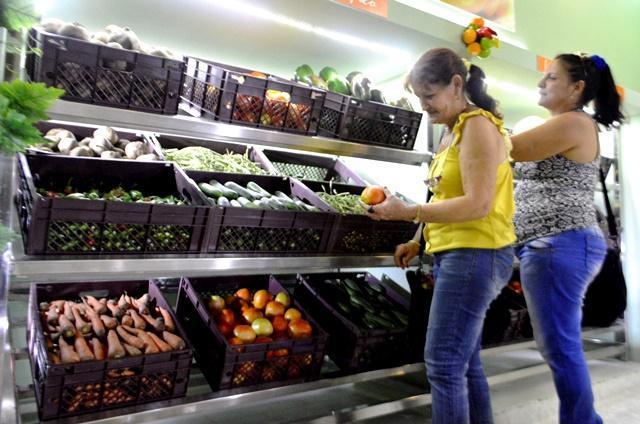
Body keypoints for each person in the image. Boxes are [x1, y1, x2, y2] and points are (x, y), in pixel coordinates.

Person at [365, 47, 515, 424]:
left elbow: (478, 204)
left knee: (443, 364)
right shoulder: (452, 131)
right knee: (465, 362)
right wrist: (419, 237)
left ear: (456, 84)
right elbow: (444, 195)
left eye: (429, 96)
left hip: (476, 252)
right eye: (419, 98)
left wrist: (409, 211)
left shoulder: (478, 125)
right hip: (459, 253)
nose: (424, 106)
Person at [510, 53, 624, 424]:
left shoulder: (575, 123)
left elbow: (510, 149)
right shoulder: (565, 124)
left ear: (577, 89)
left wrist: (473, 123)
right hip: (553, 244)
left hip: (559, 243)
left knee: (560, 346)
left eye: (552, 77)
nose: (542, 83)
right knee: (559, 345)